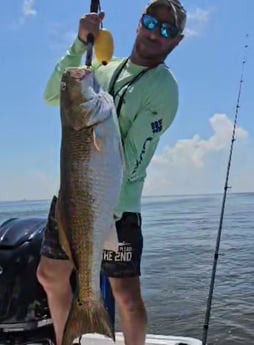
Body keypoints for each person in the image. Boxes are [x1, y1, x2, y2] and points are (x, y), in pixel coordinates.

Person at [36, 1, 187, 345]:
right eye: (151, 21)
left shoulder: (163, 88)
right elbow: (52, 94)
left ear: (176, 41)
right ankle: (66, 338)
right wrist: (79, 43)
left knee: (126, 297)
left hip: (115, 205)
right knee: (49, 275)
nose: (155, 32)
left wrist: (97, 130)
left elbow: (133, 163)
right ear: (139, 23)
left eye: (166, 30)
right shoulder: (102, 70)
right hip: (71, 198)